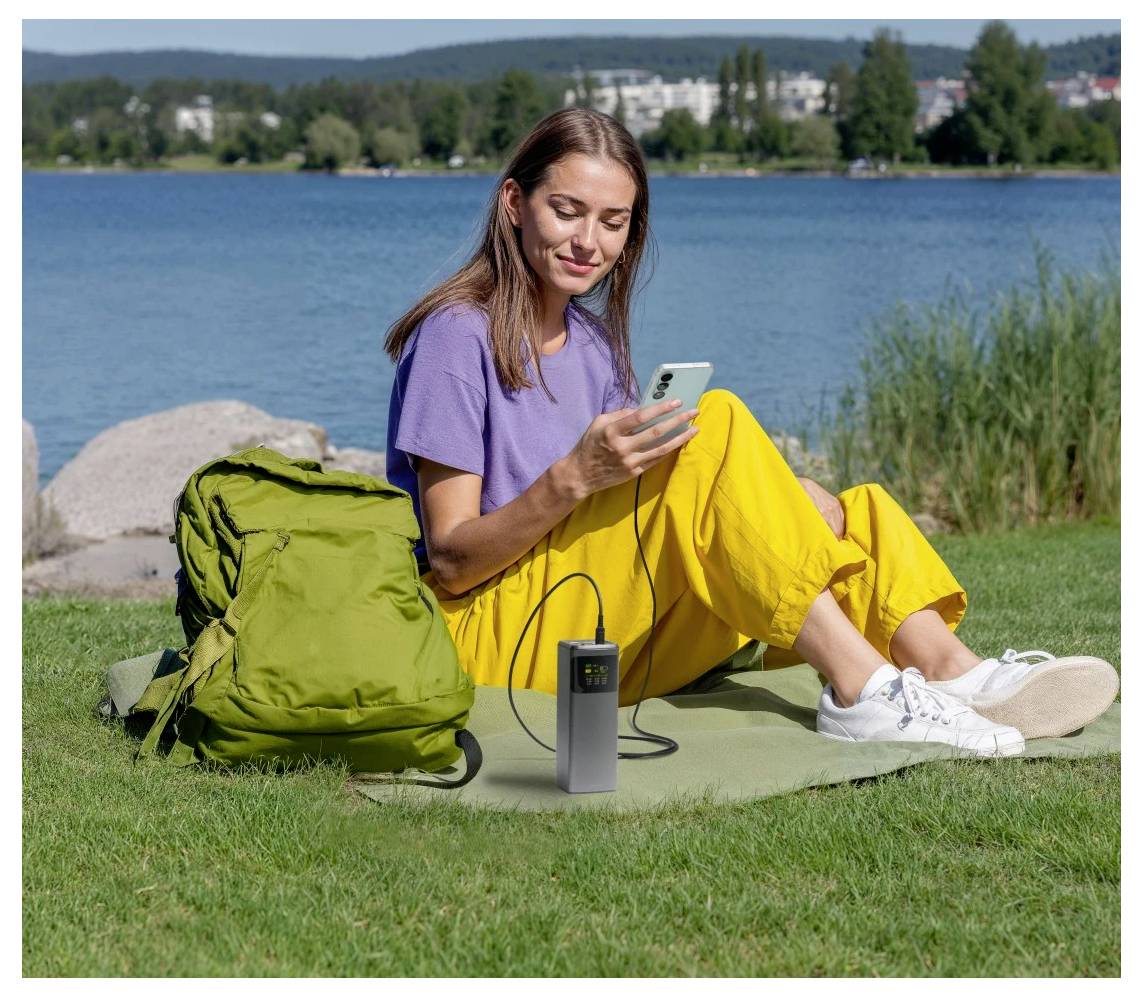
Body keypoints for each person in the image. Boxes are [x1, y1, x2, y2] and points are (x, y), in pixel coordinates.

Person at [383, 108, 1117, 756]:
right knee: (719, 422)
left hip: (597, 625)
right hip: (493, 639)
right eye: (567, 211)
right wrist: (573, 476)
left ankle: (955, 673)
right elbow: (449, 561)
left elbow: (642, 508)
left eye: (613, 222)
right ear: (515, 202)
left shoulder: (596, 343)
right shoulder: (457, 335)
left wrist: (776, 502)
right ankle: (861, 691)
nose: (589, 241)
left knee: (841, 508)